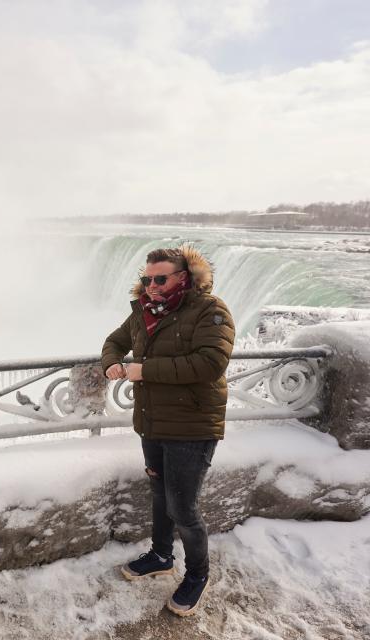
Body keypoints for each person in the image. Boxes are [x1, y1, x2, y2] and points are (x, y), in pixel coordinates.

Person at [100, 245, 234, 617]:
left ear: (183, 277)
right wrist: (112, 363)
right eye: (147, 279)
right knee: (159, 491)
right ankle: (161, 555)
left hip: (192, 426)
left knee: (183, 507)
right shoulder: (144, 312)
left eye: (161, 279)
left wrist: (145, 370)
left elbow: (210, 363)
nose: (152, 286)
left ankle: (197, 575)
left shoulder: (211, 311)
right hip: (153, 423)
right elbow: (114, 342)